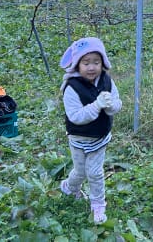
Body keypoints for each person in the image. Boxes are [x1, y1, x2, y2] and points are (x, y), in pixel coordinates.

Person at [59, 37, 122, 224]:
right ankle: (69, 187)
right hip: (78, 139)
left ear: (103, 62)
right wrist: (96, 106)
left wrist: (111, 106)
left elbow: (117, 103)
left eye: (96, 62)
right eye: (86, 63)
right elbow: (76, 116)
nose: (91, 67)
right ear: (77, 64)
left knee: (94, 172)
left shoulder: (106, 81)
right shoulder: (72, 87)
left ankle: (98, 204)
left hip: (99, 138)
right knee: (80, 172)